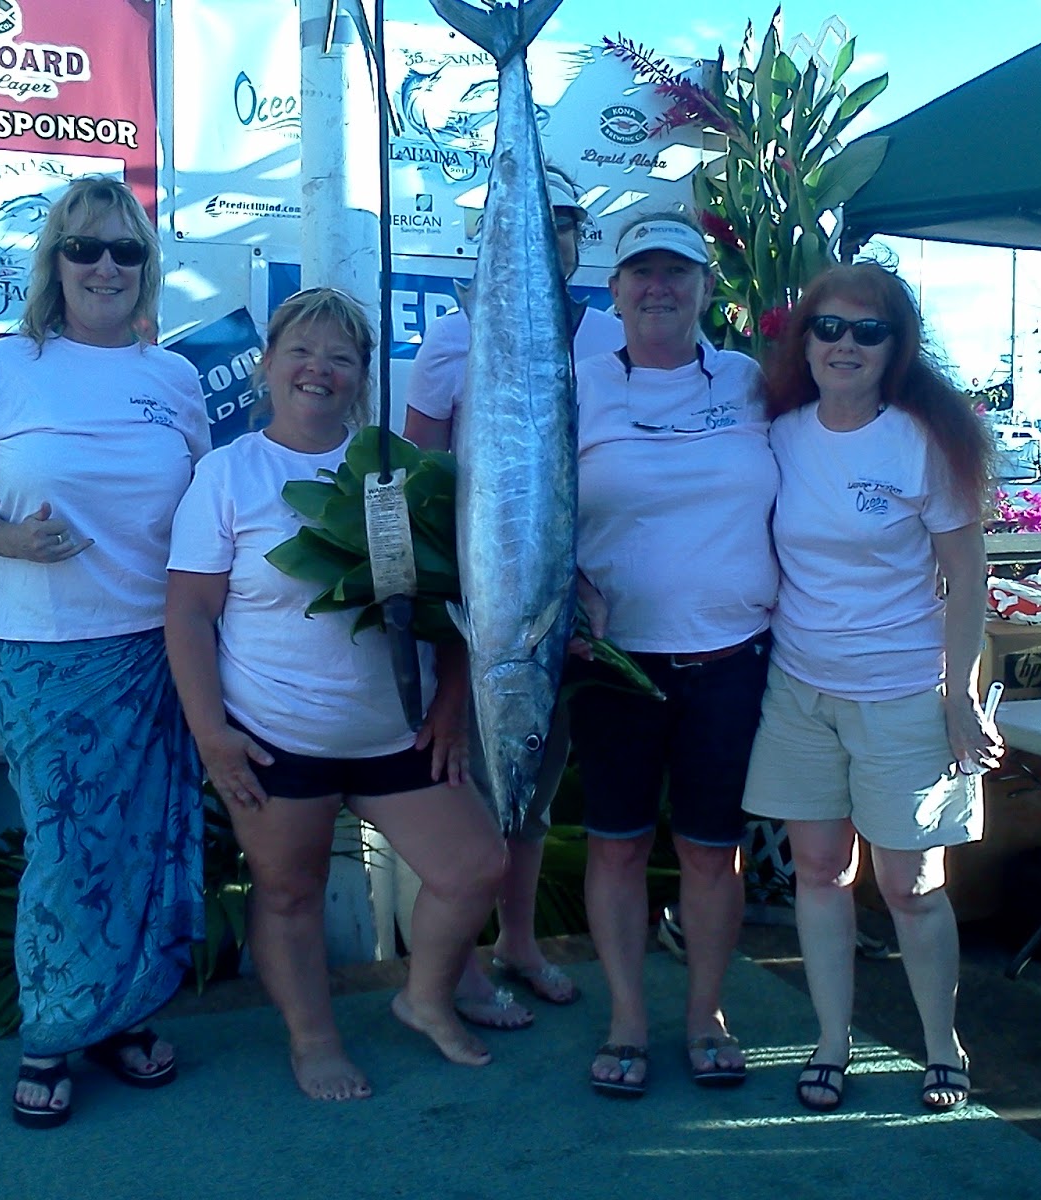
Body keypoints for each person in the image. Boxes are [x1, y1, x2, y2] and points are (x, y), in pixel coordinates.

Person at [165, 287, 505, 1101]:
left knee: (474, 867)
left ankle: (423, 998)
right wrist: (211, 735)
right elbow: (188, 611)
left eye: (342, 357)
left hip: (400, 735)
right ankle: (312, 1039)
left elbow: (456, 604)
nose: (319, 369)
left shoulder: (403, 469)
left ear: (361, 376)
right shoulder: (228, 473)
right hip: (279, 737)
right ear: (270, 363)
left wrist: (452, 706)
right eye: (302, 352)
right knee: (288, 893)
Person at [0, 176, 209, 1129]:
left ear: (145, 269)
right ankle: (52, 1028)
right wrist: (12, 540)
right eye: (84, 248)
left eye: (124, 251)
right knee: (65, 849)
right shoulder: (4, 366)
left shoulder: (171, 379)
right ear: (53, 263)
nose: (104, 266)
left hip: (159, 650)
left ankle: (124, 1017)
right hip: (49, 654)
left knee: (151, 842)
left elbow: (203, 521)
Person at [742, 262, 1001, 1115]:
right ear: (803, 337)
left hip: (900, 694)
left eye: (868, 330)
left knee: (911, 886)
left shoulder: (923, 441)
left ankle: (941, 1045)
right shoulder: (777, 432)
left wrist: (957, 695)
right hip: (799, 691)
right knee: (819, 872)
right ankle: (832, 1040)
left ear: (897, 348)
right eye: (829, 327)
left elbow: (969, 581)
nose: (845, 344)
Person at [402, 165, 620, 1030]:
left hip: (572, 616)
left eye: (568, 224)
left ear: (578, 241)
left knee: (529, 795)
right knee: (471, 802)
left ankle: (519, 944)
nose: (556, 236)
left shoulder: (611, 343)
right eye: (547, 222)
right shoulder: (446, 343)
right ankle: (453, 969)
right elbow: (421, 481)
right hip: (489, 609)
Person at [569, 212, 778, 1097]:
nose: (659, 287)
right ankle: (626, 1016)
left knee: (709, 850)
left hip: (732, 657)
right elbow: (517, 505)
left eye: (678, 272)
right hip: (615, 663)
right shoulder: (574, 385)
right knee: (615, 847)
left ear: (706, 288)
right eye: (640, 272)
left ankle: (705, 1014)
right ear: (612, 291)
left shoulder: (751, 383)